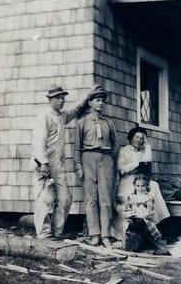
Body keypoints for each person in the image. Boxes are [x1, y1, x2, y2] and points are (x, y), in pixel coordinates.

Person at [32, 85, 89, 240]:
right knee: (44, 199)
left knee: (65, 198)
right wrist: (43, 163)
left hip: (58, 164)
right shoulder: (44, 117)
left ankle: (57, 232)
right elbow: (39, 142)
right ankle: (44, 233)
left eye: (63, 97)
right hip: (43, 163)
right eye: (57, 98)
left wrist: (88, 95)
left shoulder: (61, 116)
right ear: (50, 99)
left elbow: (76, 110)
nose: (61, 100)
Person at [74, 85, 120, 247]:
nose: (101, 104)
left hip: (105, 158)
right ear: (90, 103)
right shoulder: (82, 123)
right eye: (97, 100)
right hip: (88, 157)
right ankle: (94, 234)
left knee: (106, 197)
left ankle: (106, 235)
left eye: (102, 101)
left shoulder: (109, 123)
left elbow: (115, 144)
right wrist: (79, 166)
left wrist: (110, 159)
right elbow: (77, 147)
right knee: (91, 198)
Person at [116, 126, 170, 224]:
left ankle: (157, 221)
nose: (139, 140)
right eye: (137, 137)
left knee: (154, 185)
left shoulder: (141, 152)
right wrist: (136, 164)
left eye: (142, 138)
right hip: (127, 180)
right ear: (131, 137)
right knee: (136, 192)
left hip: (139, 179)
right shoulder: (123, 151)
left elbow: (148, 160)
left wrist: (147, 145)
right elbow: (121, 168)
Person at [121, 174, 165, 252]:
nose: (140, 188)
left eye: (142, 186)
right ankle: (153, 244)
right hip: (132, 220)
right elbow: (126, 210)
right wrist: (131, 213)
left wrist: (145, 214)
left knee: (140, 221)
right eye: (138, 186)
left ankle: (150, 244)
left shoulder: (149, 197)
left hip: (144, 221)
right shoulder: (131, 197)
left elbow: (150, 212)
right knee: (133, 222)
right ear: (134, 186)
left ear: (146, 186)